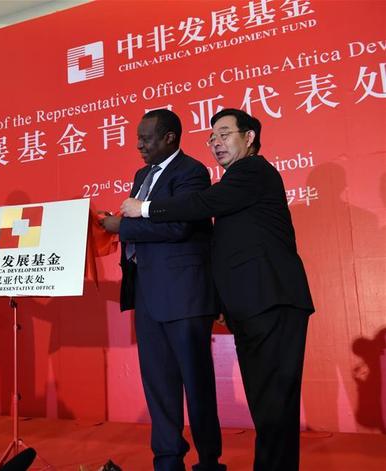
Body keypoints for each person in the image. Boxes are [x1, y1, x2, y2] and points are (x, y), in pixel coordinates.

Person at [121, 108, 314, 471]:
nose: (216, 144)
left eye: (225, 134)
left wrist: (143, 209)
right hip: (251, 305)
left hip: (271, 300)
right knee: (266, 403)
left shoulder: (252, 171)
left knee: (273, 403)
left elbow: (200, 204)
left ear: (249, 137)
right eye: (212, 138)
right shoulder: (237, 182)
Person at [101, 109, 225, 471]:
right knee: (158, 385)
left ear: (170, 138)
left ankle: (208, 462)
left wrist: (122, 227)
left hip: (185, 296)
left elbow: (179, 228)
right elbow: (147, 224)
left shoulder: (192, 173)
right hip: (148, 295)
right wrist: (116, 224)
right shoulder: (142, 174)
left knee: (197, 385)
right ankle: (167, 460)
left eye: (146, 138)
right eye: (138, 137)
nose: (139, 144)